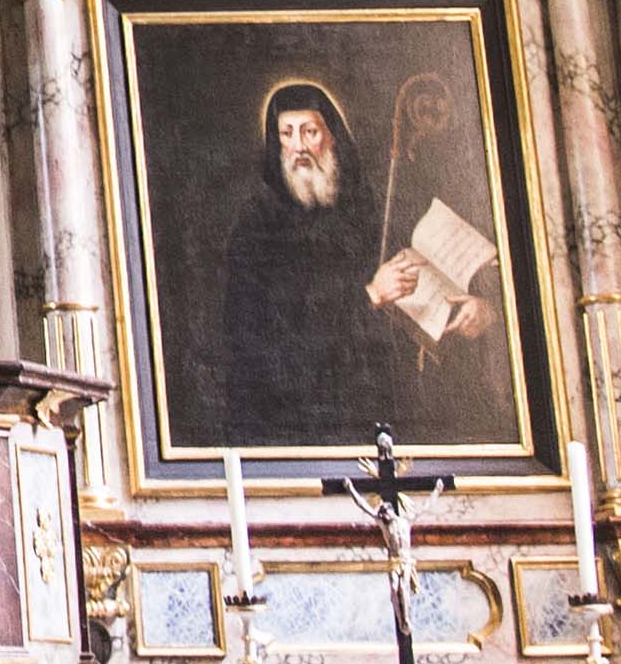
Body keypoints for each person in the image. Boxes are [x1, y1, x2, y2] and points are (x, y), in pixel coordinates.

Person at [196, 76, 519, 447]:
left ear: (332, 135)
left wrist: (479, 308)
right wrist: (370, 295)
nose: (299, 146)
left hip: (391, 410)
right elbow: (269, 335)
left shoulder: (368, 207)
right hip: (303, 419)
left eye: (310, 132)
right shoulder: (257, 225)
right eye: (286, 134)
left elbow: (432, 282)